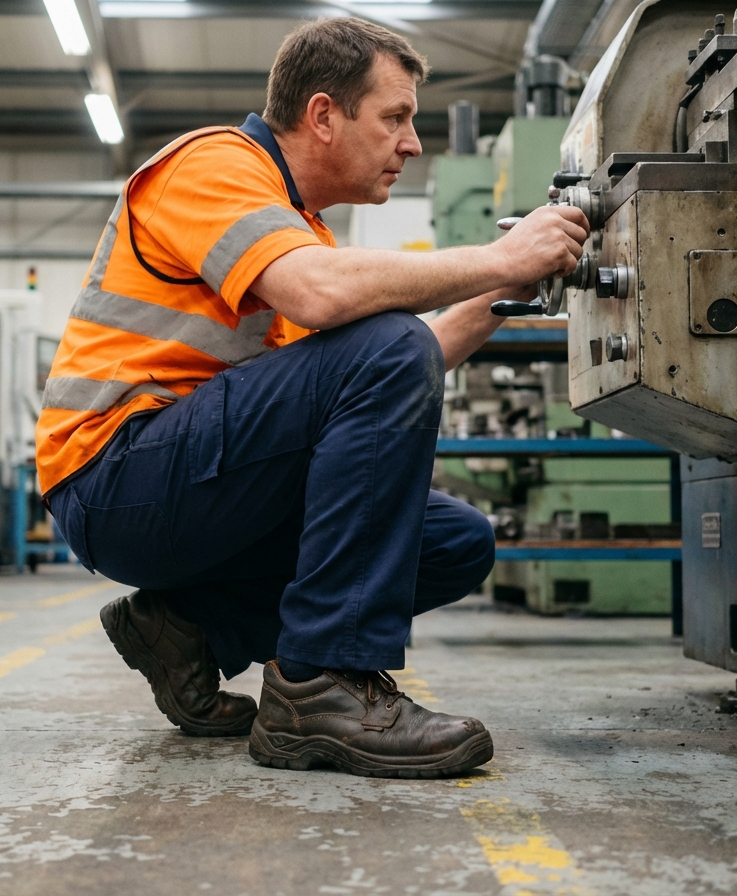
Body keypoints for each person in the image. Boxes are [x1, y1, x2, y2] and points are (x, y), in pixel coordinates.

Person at [36, 17, 589, 778]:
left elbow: (393, 362)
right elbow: (340, 312)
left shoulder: (299, 232)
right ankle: (318, 684)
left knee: (454, 541)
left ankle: (189, 630)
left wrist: (505, 286)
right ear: (324, 115)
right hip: (115, 479)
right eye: (395, 117)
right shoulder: (215, 164)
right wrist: (496, 253)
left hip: (191, 484)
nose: (412, 143)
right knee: (383, 337)